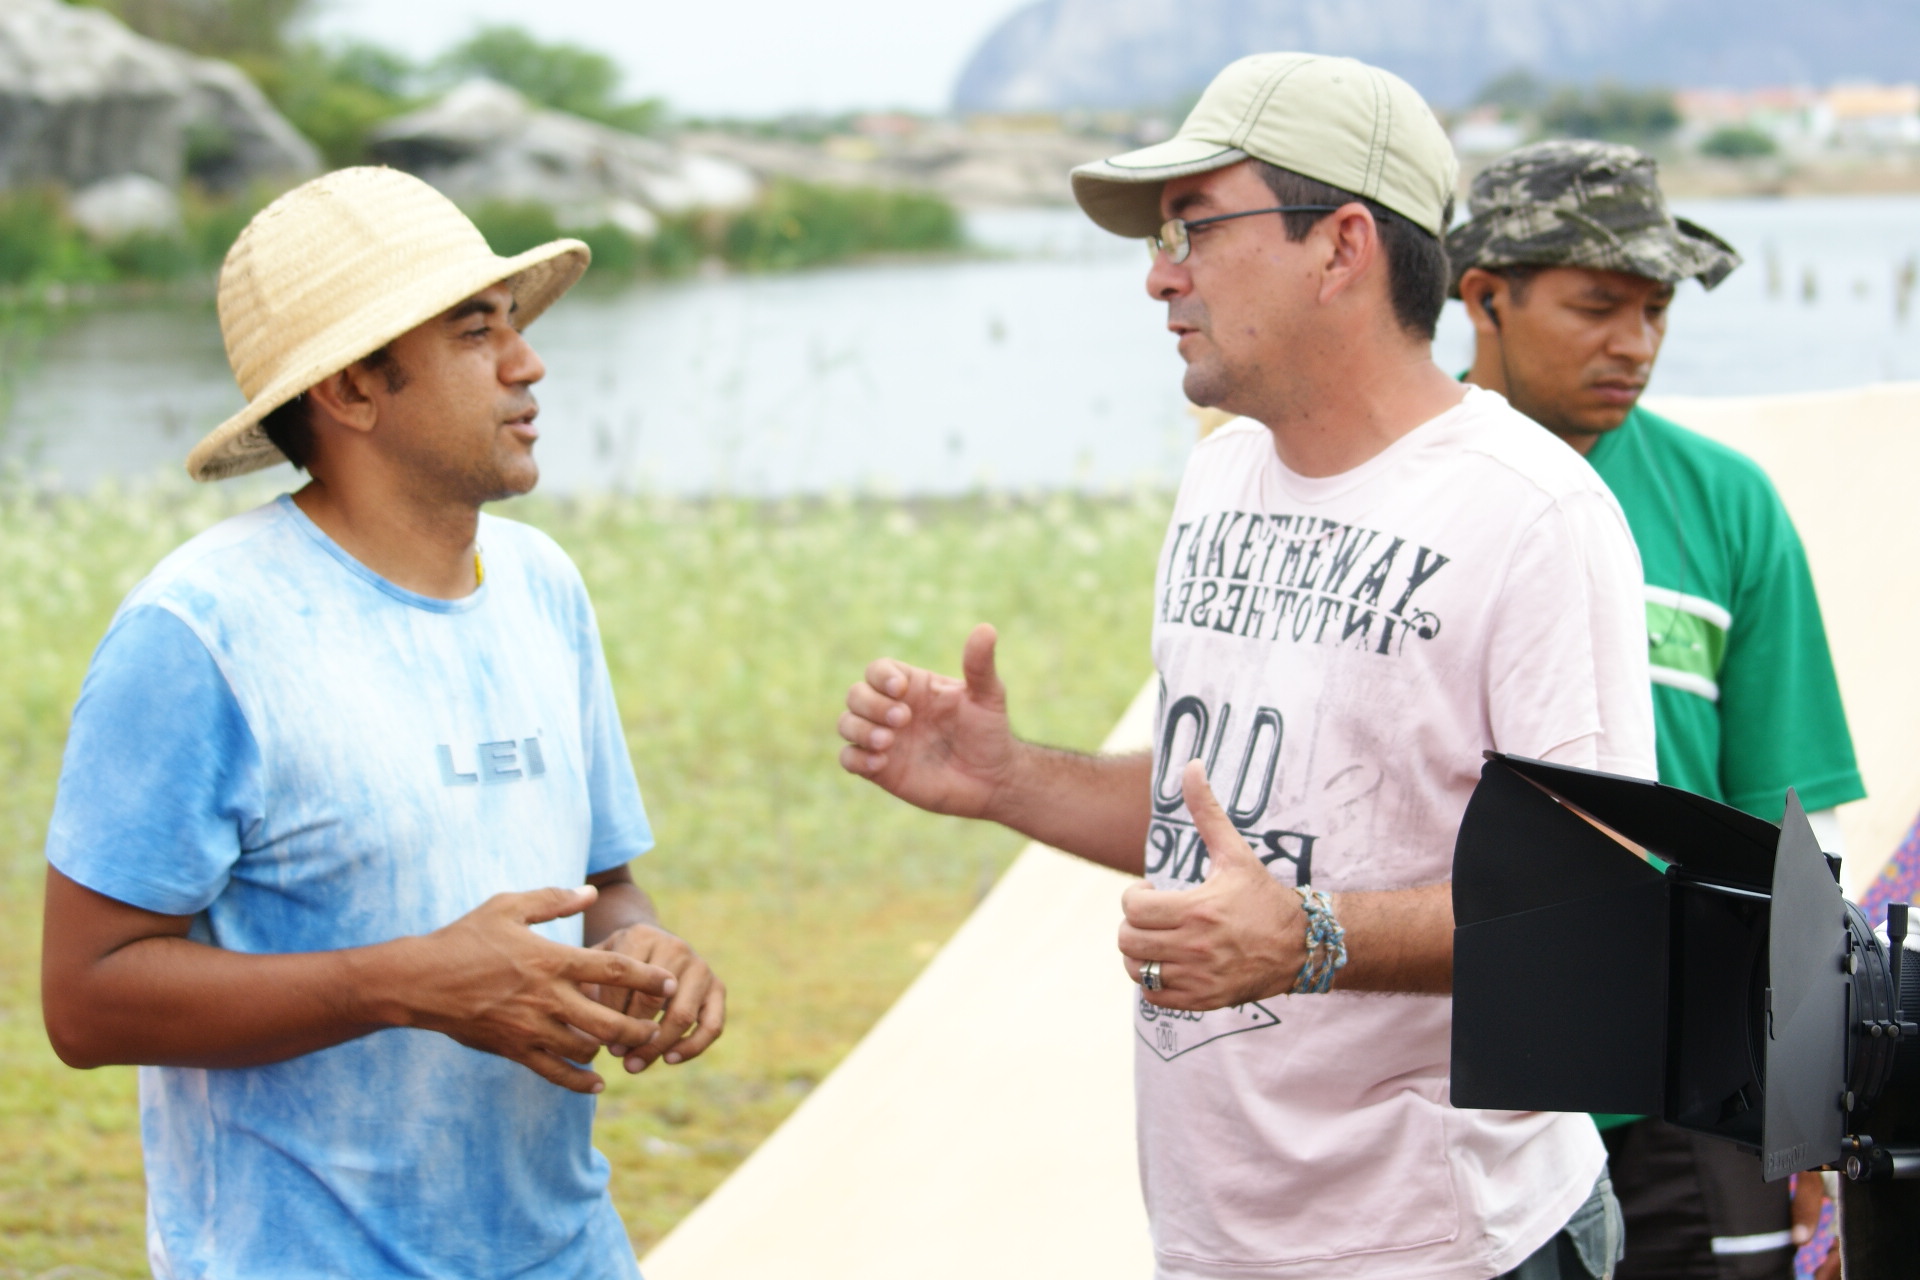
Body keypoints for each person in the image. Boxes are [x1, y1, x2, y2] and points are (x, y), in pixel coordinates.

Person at [839, 53, 1653, 1280]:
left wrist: (1310, 937)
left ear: (1341, 247)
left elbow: (1593, 910)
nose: (1160, 274)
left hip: (1447, 1242)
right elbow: (1228, 815)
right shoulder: (1222, 472)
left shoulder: (1533, 513)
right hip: (1222, 1237)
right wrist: (1006, 776)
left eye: (1194, 228)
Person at [39, 167, 725, 1279]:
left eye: (512, 322)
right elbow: (87, 1001)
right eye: (475, 332)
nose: (527, 363)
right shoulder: (201, 630)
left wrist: (643, 954)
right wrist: (407, 983)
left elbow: (605, 886)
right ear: (353, 390)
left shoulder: (542, 586)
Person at [1450, 140, 1861, 1280]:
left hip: (1683, 1087)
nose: (1634, 342)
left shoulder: (1726, 501)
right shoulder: (1404, 486)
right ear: (1484, 295)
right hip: (1453, 1086)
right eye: (1597, 306)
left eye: (1656, 310)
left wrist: (1816, 1096)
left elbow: (1793, 825)